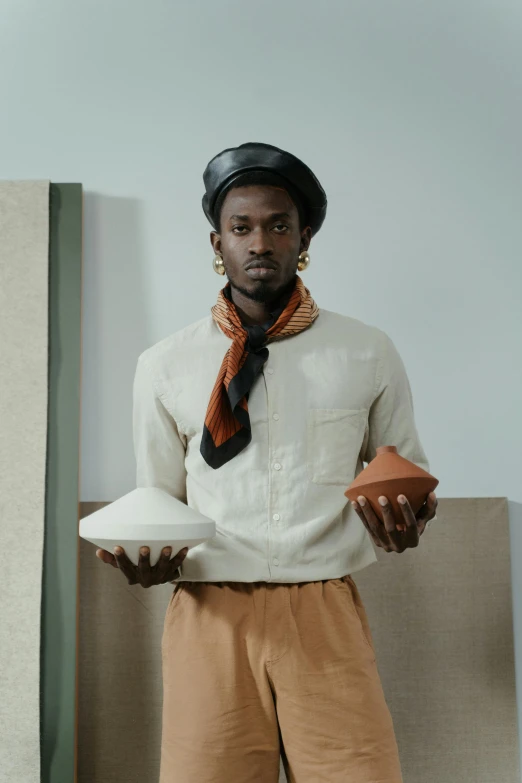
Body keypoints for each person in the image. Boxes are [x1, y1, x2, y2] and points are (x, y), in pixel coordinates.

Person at [97, 141, 438, 783]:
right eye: (241, 227)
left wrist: (411, 519)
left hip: (324, 609)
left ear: (303, 236)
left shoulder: (367, 351)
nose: (260, 242)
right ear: (216, 242)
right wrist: (145, 558)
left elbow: (403, 470)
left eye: (279, 225)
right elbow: (158, 500)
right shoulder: (163, 365)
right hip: (208, 610)